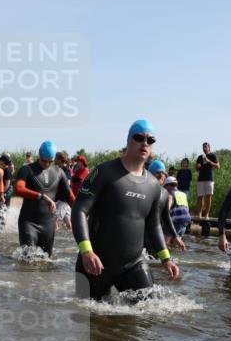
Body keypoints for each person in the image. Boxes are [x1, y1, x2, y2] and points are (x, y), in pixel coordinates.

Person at [72, 119, 179, 301]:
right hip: (95, 261)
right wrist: (86, 251)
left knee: (145, 317)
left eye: (150, 140)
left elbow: (153, 226)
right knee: (90, 321)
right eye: (139, 138)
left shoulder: (153, 185)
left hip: (133, 264)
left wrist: (166, 259)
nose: (145, 143)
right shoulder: (104, 172)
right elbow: (79, 210)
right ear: (129, 140)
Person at [13, 140, 75, 256]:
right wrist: (41, 196)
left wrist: (81, 213)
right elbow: (18, 188)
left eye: (50, 161)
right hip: (29, 222)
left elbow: (70, 196)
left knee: (47, 262)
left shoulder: (59, 172)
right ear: (39, 155)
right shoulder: (27, 169)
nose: (46, 164)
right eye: (44, 161)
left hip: (48, 224)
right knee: (28, 259)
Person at [195, 142, 220, 218]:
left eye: (206, 146)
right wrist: (197, 166)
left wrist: (208, 161)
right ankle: (199, 214)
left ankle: (206, 214)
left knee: (209, 197)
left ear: (209, 147)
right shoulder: (200, 157)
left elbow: (218, 166)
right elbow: (196, 168)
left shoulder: (213, 155)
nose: (204, 148)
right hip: (201, 179)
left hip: (209, 178)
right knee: (200, 197)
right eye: (203, 147)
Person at [163, 175, 192, 242]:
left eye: (165, 187)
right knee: (175, 245)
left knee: (164, 244)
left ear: (168, 186)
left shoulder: (170, 194)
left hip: (175, 222)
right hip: (185, 222)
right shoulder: (183, 194)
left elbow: (166, 210)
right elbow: (187, 208)